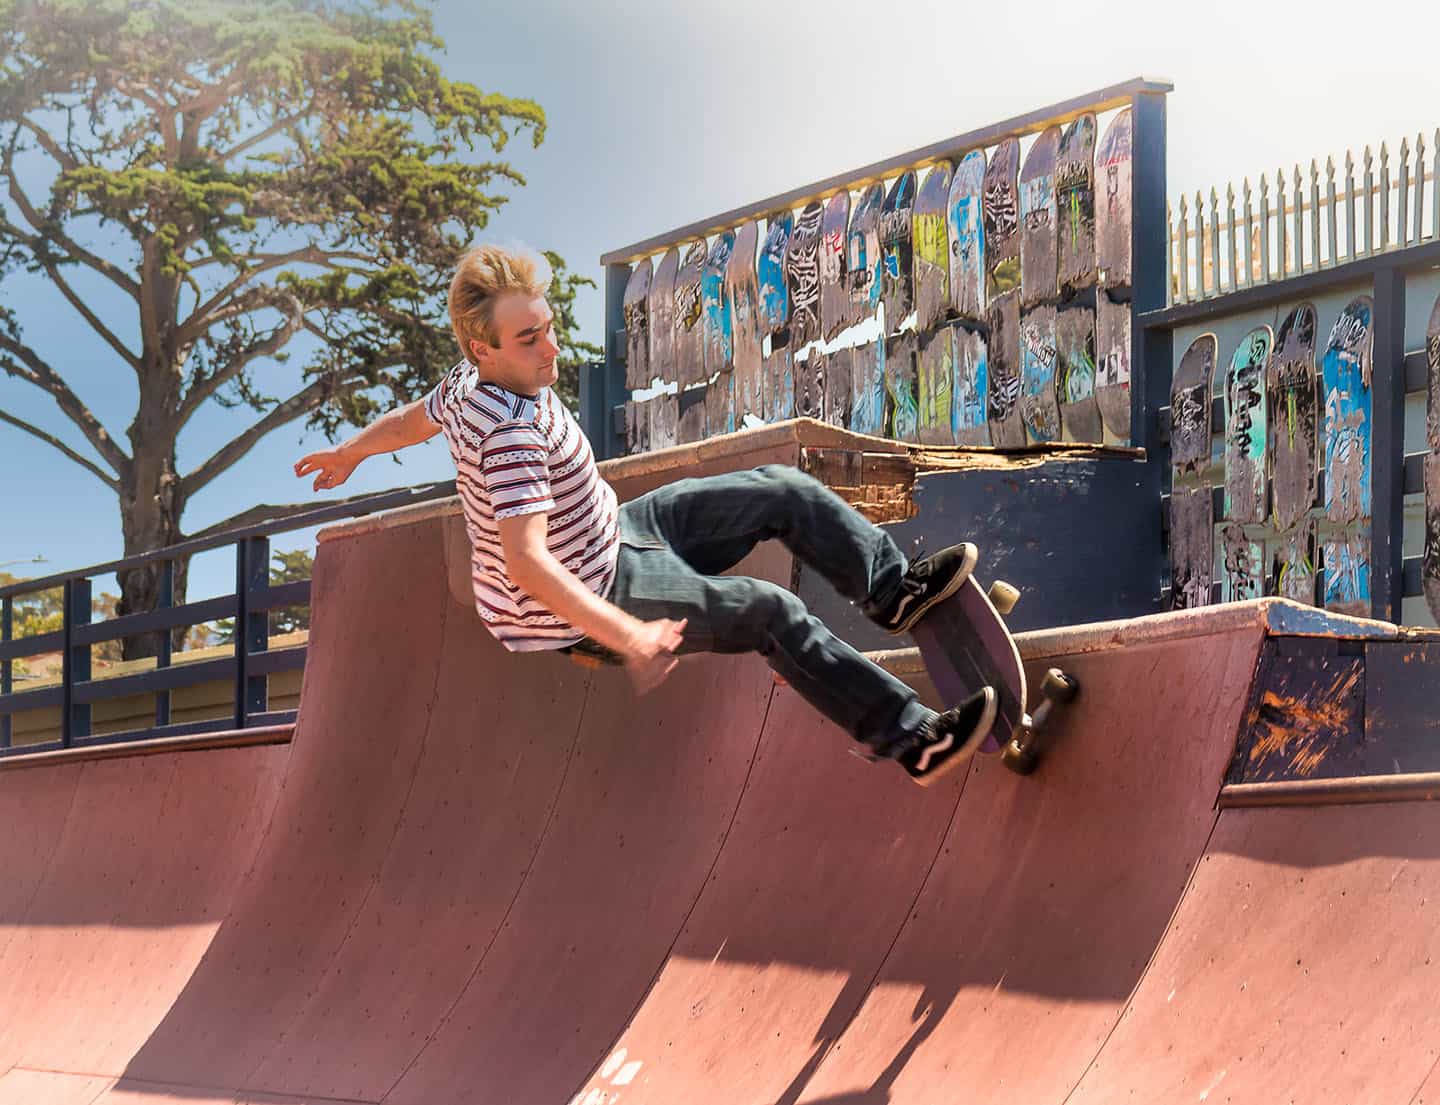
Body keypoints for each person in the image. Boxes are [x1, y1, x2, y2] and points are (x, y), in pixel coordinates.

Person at [295, 245, 996, 785]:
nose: (552, 349)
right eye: (529, 340)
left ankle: (890, 588)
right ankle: (915, 739)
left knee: (782, 488)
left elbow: (410, 421)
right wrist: (626, 634)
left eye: (547, 327)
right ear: (484, 349)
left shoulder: (463, 382)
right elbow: (526, 563)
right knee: (770, 612)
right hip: (588, 597)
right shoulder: (506, 437)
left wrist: (350, 453)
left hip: (619, 528)